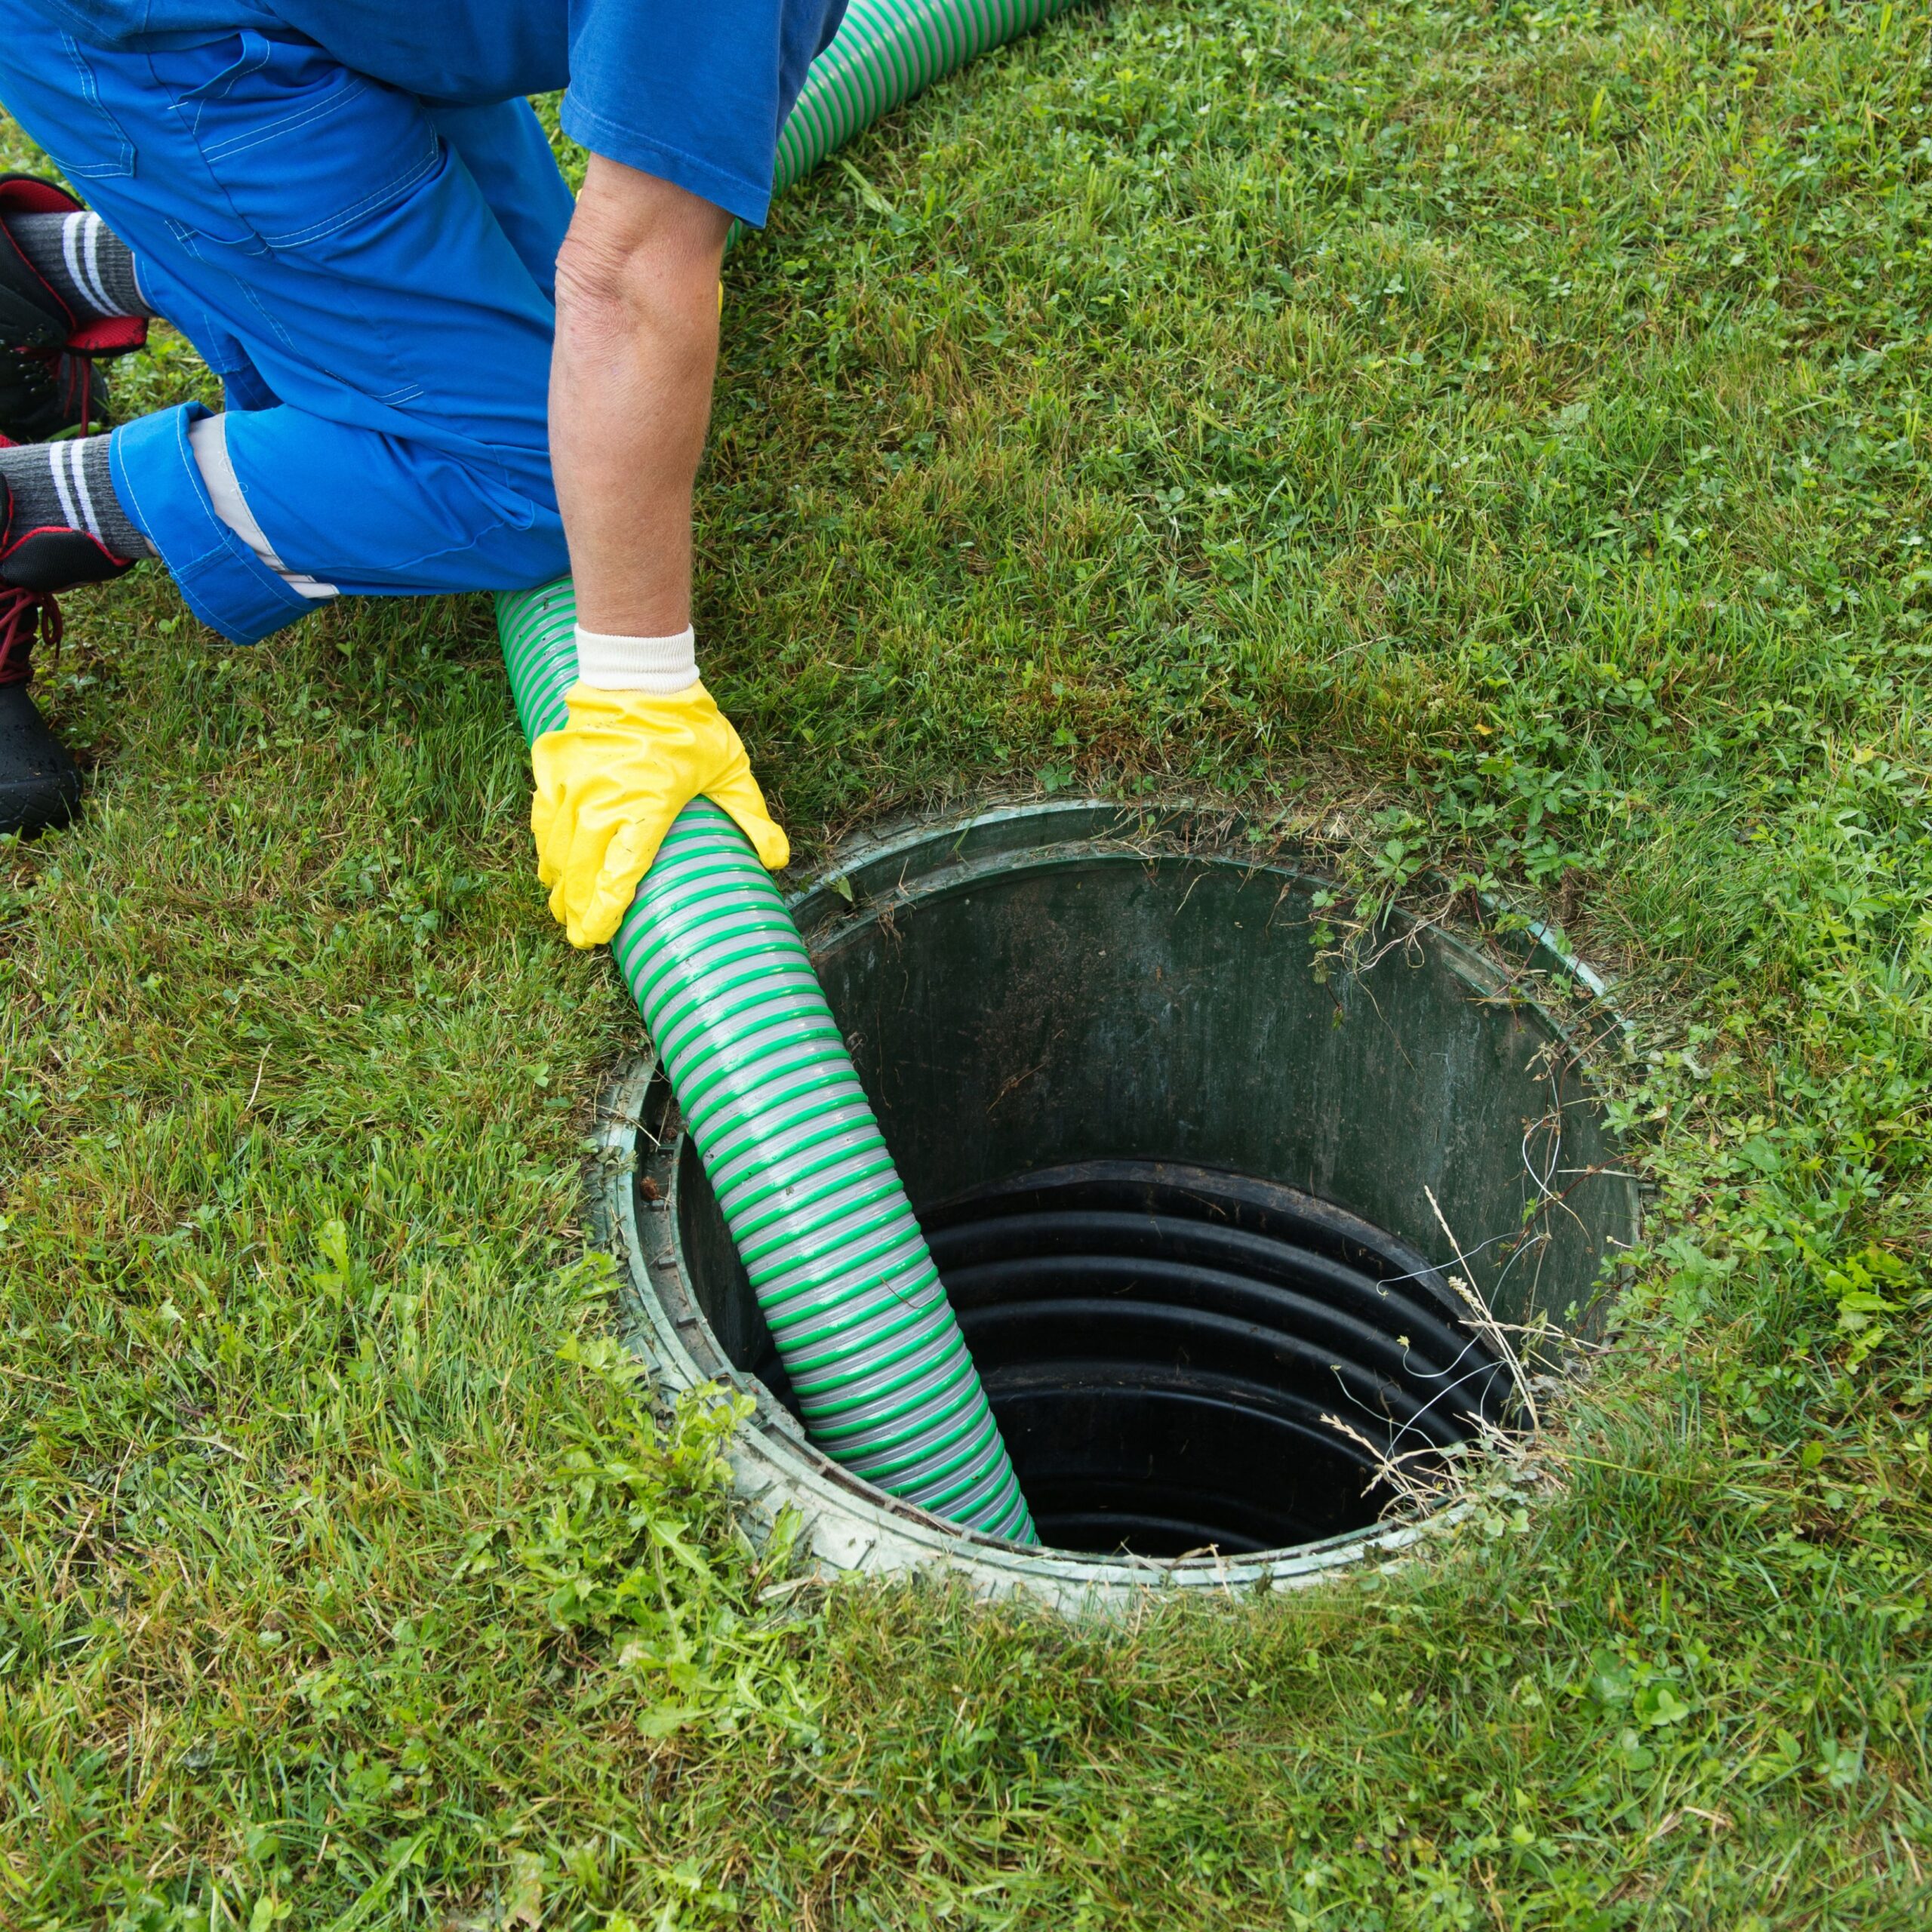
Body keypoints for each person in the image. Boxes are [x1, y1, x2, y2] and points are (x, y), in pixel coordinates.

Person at [0, 2, 830, 944]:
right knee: (533, 474)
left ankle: (43, 272)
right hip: (165, 34)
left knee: (572, 373)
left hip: (361, 25)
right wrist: (640, 694)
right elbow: (632, 278)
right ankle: (28, 510)